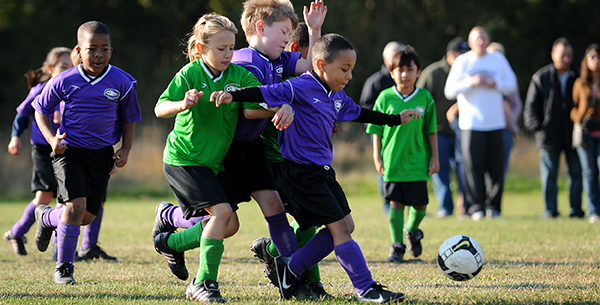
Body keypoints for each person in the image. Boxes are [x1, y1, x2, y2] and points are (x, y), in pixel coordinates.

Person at [211, 33, 418, 303]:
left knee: (347, 225)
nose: (350, 76)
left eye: (351, 69)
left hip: (321, 172)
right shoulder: (299, 86)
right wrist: (233, 94)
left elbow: (361, 113)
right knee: (340, 230)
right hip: (299, 173)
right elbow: (262, 92)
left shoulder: (337, 95)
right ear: (320, 65)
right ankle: (366, 289)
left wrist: (394, 119)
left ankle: (290, 268)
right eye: (344, 69)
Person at [153, 13, 293, 302]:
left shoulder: (239, 76)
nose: (228, 54)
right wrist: (182, 103)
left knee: (230, 225)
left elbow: (255, 103)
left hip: (213, 164)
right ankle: (203, 283)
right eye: (221, 49)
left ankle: (171, 242)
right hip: (184, 159)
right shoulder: (189, 74)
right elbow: (159, 108)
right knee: (222, 214)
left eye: (231, 47)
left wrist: (281, 107)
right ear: (203, 49)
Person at [226, 0, 327, 299]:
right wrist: (282, 107)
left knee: (295, 212)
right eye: (284, 31)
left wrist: (314, 29)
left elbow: (313, 68)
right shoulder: (246, 61)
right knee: (220, 222)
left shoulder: (277, 58)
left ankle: (303, 281)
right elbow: (248, 109)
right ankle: (170, 231)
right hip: (237, 155)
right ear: (260, 28)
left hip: (264, 151)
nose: (287, 39)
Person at [32, 21, 141, 284]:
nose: (99, 54)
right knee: (75, 207)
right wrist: (51, 139)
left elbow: (129, 118)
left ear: (111, 51)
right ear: (79, 51)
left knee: (86, 216)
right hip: (69, 152)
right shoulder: (64, 80)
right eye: (92, 49)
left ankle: (46, 217)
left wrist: (125, 148)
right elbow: (41, 110)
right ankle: (64, 267)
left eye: (104, 48)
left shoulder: (123, 82)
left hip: (102, 154)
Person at [367, 47, 439, 262]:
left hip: (418, 162)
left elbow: (431, 130)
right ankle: (397, 245)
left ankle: (411, 229)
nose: (405, 74)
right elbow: (376, 130)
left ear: (419, 72)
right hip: (392, 162)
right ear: (391, 72)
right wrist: (377, 157)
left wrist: (435, 156)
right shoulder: (385, 97)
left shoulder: (425, 98)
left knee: (420, 206)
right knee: (396, 205)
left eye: (410, 69)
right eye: (400, 70)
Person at [4, 47, 72, 257]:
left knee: (65, 198)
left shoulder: (73, 89)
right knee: (44, 196)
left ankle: (58, 247)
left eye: (71, 67)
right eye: (63, 66)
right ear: (50, 69)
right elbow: (23, 115)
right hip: (43, 149)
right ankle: (16, 232)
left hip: (66, 149)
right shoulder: (40, 90)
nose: (67, 70)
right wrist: (15, 136)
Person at [444, 26, 518, 221]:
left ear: (488, 39)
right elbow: (449, 90)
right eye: (476, 38)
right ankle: (476, 207)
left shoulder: (498, 60)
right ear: (470, 42)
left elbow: (512, 83)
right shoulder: (463, 61)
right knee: (473, 167)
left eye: (484, 37)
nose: (480, 41)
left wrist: (497, 84)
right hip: (470, 124)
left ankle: (494, 207)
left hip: (496, 123)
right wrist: (471, 82)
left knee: (496, 168)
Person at [523, 37, 584, 219]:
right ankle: (550, 210)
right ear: (553, 55)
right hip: (549, 135)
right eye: (562, 55)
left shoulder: (579, 76)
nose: (566, 58)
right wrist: (538, 127)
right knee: (549, 175)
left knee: (576, 174)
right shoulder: (541, 77)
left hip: (574, 134)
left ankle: (576, 209)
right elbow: (531, 107)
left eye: (569, 55)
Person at [416, 37, 469, 218]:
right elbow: (420, 102)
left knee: (464, 170)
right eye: (462, 55)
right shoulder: (433, 73)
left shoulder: (468, 72)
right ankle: (445, 208)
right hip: (438, 131)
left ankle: (466, 207)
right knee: (441, 171)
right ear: (452, 55)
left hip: (464, 131)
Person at [360, 40, 406, 214]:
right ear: (387, 59)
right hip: (383, 133)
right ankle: (389, 205)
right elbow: (366, 107)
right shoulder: (376, 81)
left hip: (404, 133)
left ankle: (405, 203)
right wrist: (378, 127)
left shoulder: (406, 80)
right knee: (385, 168)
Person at [571, 44, 600, 223]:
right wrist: (581, 117)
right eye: (592, 57)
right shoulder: (580, 83)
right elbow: (572, 109)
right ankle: (593, 211)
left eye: (598, 56)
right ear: (586, 60)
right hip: (586, 134)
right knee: (589, 173)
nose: (595, 60)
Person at [486, 42, 523, 177]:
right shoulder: (483, 79)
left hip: (505, 129)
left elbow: (517, 104)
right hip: (484, 128)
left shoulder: (509, 80)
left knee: (500, 169)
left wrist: (509, 119)